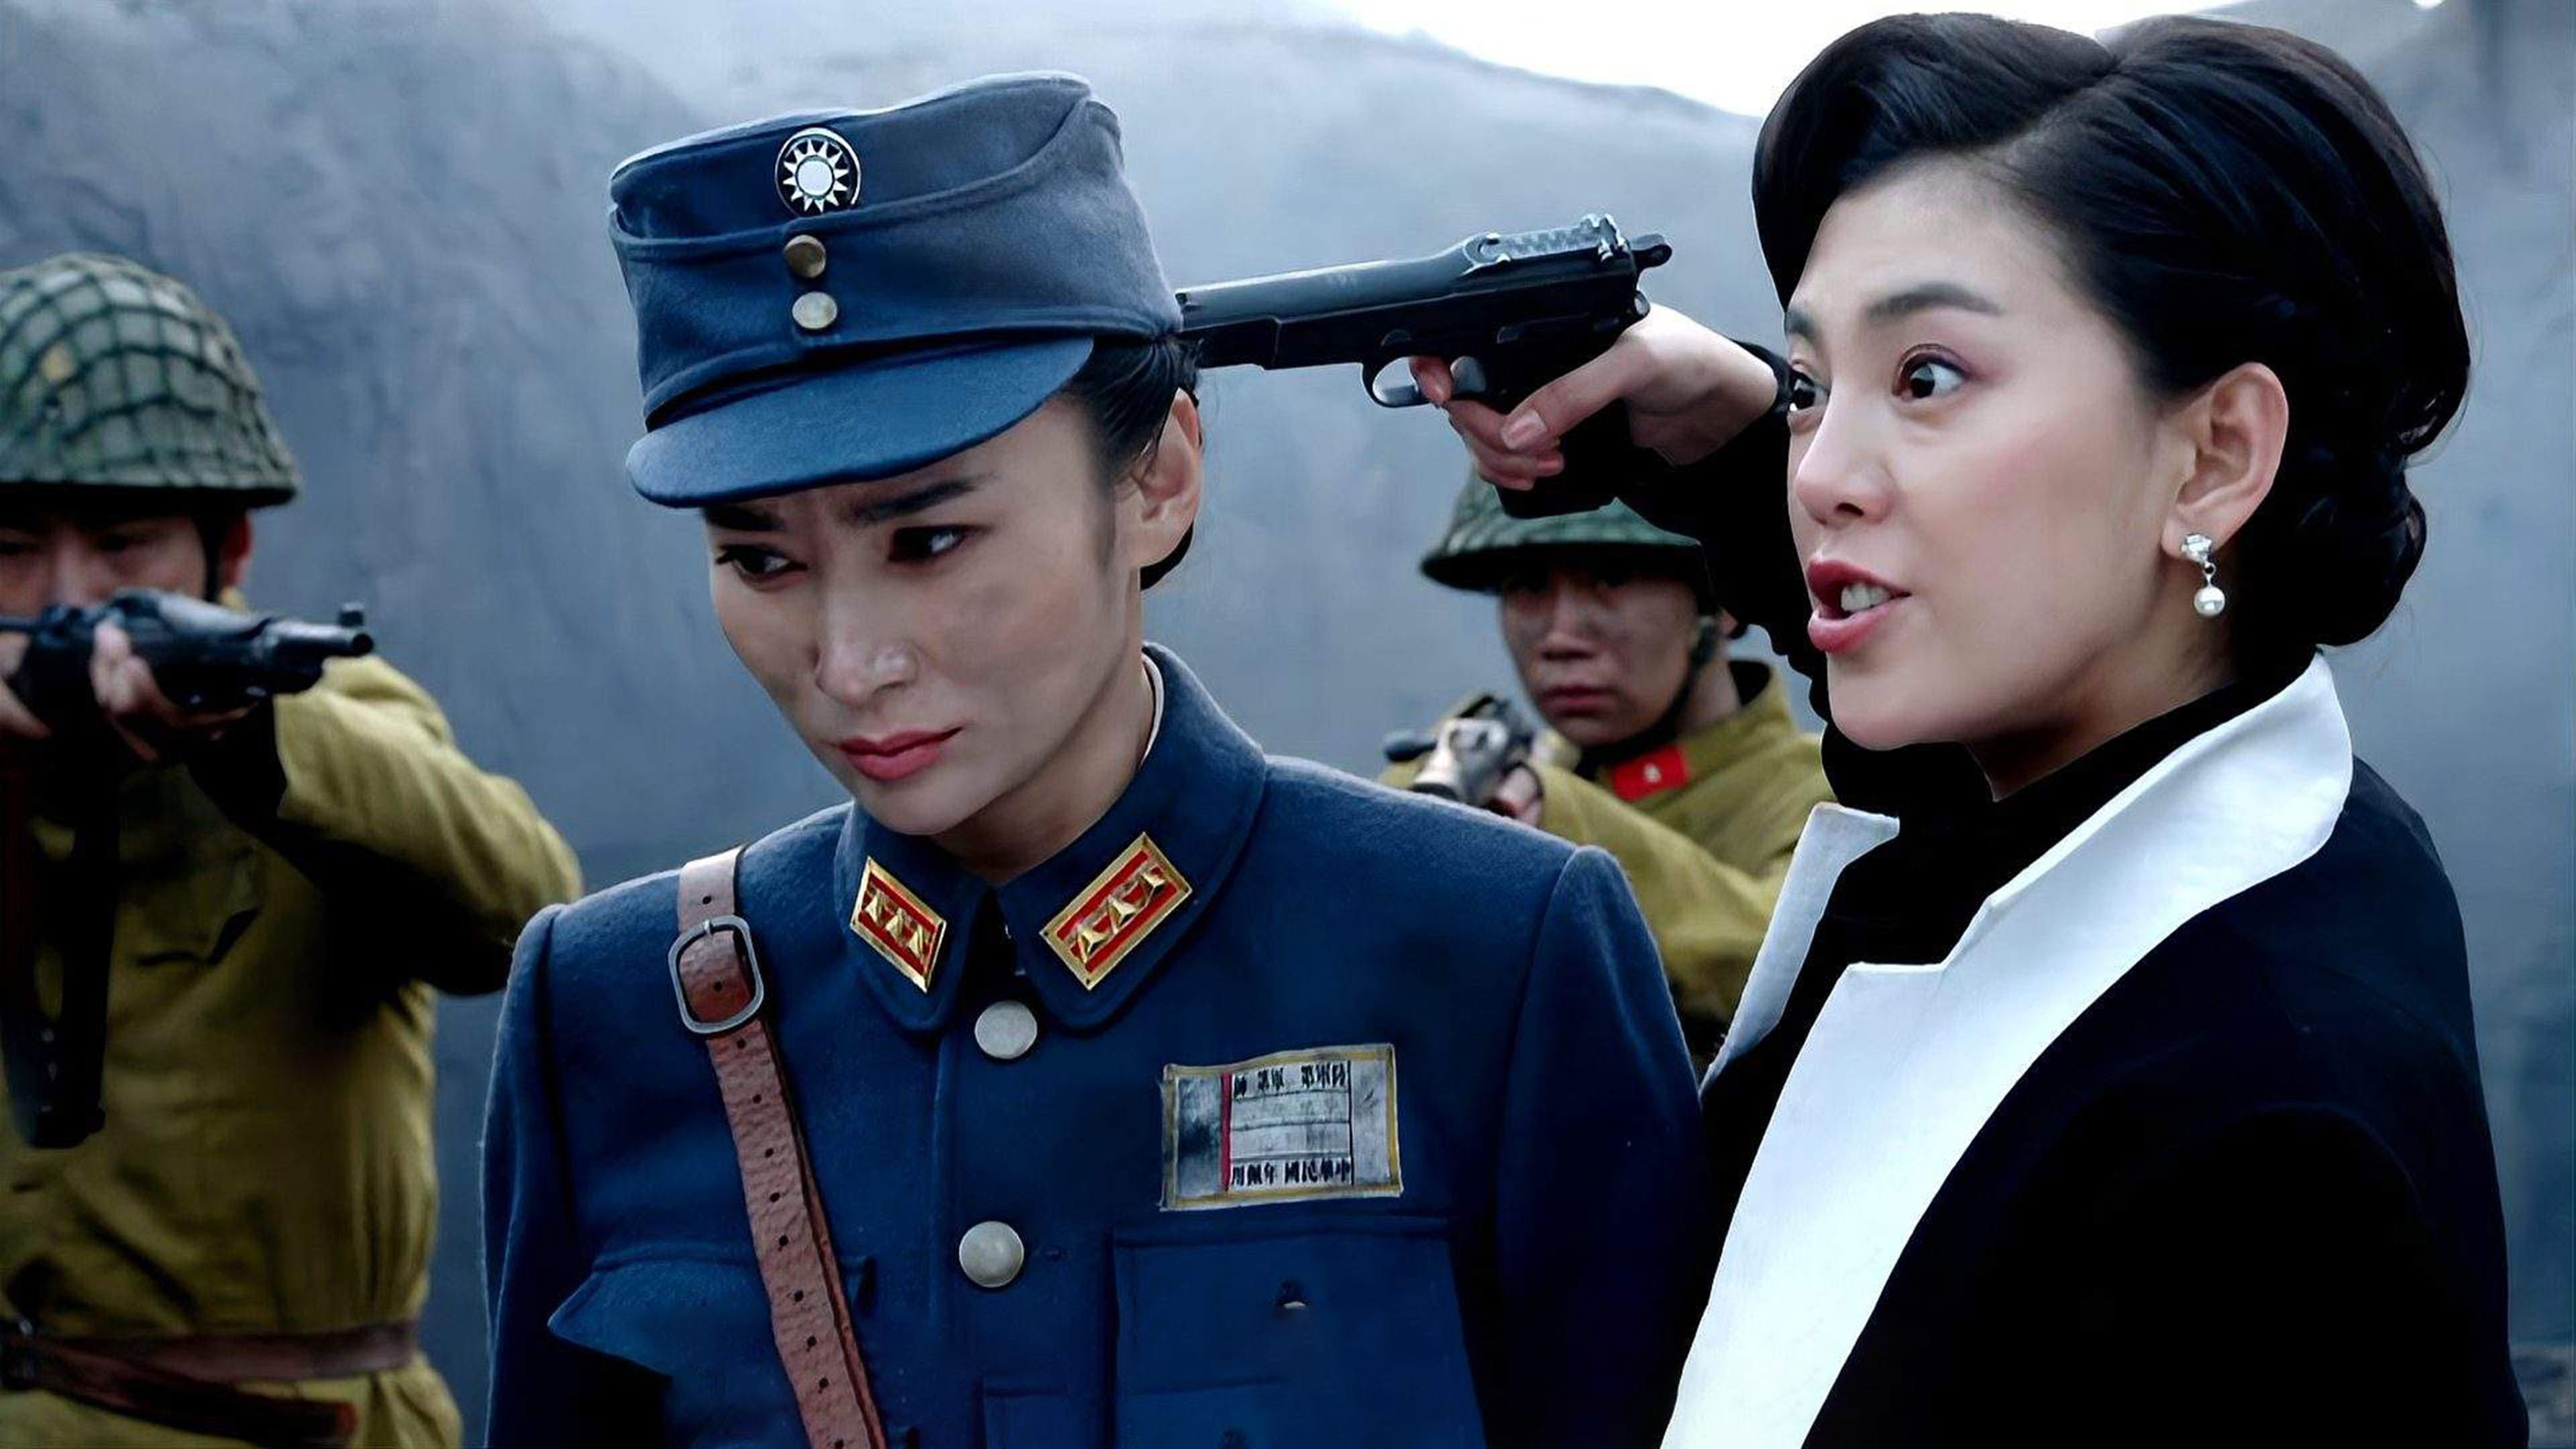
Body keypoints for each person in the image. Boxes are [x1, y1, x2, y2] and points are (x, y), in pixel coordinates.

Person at [481, 74, 1707, 1449]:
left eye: (928, 540)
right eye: (760, 561)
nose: (849, 663)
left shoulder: (1492, 958)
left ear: (1156, 482)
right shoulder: (616, 1011)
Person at [1421, 14, 2524, 1446]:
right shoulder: (2226, 818)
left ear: (2214, 454)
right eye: (1812, 386)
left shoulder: (2263, 1138)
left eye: (1928, 378)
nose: (1821, 475)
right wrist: (1733, 428)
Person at [0, 253, 582, 1448]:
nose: (70, 601)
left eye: (125, 545)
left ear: (229, 552)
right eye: (12, 549)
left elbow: (525, 911)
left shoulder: (327, 720)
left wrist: (254, 733)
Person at [1391, 475, 1832, 1059]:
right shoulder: (1488, 776)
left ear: (1720, 599)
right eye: (1528, 586)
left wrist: (1559, 816)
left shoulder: (1831, 794)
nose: (1560, 636)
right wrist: (1408, 810)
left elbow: (1777, 961)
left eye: (1612, 577)